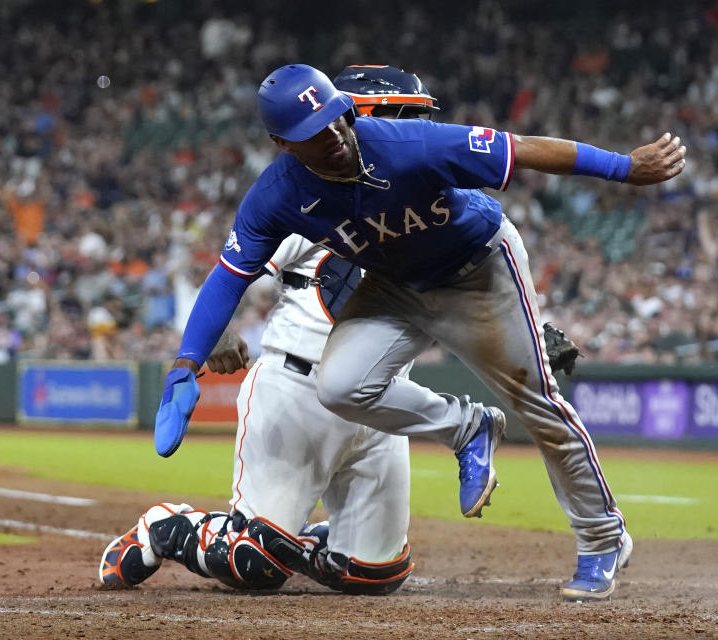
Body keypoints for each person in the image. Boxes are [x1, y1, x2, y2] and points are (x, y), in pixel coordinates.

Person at [154, 64, 685, 601]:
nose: (335, 135)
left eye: (337, 117)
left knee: (538, 402)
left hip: (477, 270)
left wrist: (624, 168)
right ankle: (468, 426)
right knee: (340, 385)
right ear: (282, 144)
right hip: (394, 285)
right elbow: (227, 277)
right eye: (314, 132)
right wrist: (184, 363)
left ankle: (602, 538)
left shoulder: (408, 143)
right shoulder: (275, 195)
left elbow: (520, 147)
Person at [99, 67, 440, 595]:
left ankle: (289, 533)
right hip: (299, 393)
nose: (418, 128)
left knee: (374, 575)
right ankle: (169, 528)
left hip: (380, 405)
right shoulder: (308, 193)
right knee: (252, 567)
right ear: (362, 116)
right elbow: (234, 271)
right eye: (405, 115)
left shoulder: (437, 201)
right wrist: (218, 330)